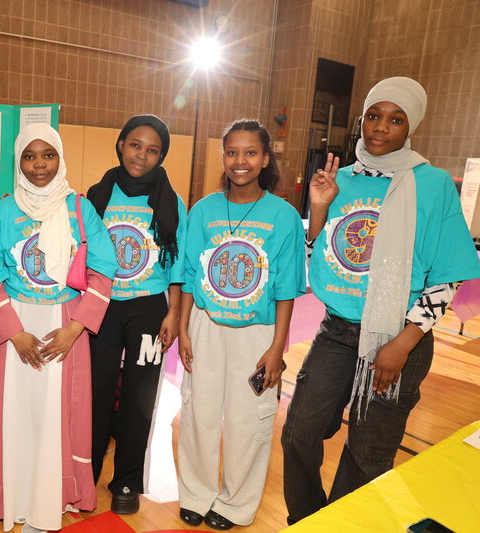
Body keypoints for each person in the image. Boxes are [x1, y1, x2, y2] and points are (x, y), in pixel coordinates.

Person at [281, 77, 480, 524]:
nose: (380, 128)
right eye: (373, 116)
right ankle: (309, 521)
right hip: (337, 332)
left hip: (397, 336)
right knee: (298, 435)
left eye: (395, 120)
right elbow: (319, 261)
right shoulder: (341, 180)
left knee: (367, 456)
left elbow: (446, 278)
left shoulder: (431, 185)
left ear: (410, 127)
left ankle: (342, 524)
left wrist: (403, 342)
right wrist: (318, 208)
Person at [0, 123, 118, 533]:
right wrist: (14, 331)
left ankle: (51, 499)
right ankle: (17, 498)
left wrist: (75, 328)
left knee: (57, 417)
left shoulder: (79, 208)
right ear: (18, 161)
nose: (39, 165)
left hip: (64, 327)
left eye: (48, 155)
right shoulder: (2, 211)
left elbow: (104, 270)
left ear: (60, 159)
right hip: (16, 329)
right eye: (29, 156)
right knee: (15, 415)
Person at [177, 119, 305, 530]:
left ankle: (236, 504)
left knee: (250, 420)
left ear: (266, 158)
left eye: (251, 152)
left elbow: (286, 287)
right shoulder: (203, 210)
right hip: (205, 326)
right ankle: (196, 493)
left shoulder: (283, 216)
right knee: (199, 411)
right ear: (224, 156)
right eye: (232, 152)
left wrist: (277, 349)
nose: (240, 161)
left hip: (257, 335)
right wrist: (182, 328)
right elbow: (187, 274)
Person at [86, 114, 187, 514]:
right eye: (135, 145)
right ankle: (84, 472)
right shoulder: (98, 193)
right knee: (94, 393)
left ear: (162, 156)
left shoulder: (171, 201)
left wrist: (173, 313)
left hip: (148, 308)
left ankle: (126, 481)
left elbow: (177, 266)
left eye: (153, 150)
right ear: (121, 143)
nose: (141, 155)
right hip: (102, 307)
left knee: (140, 398)